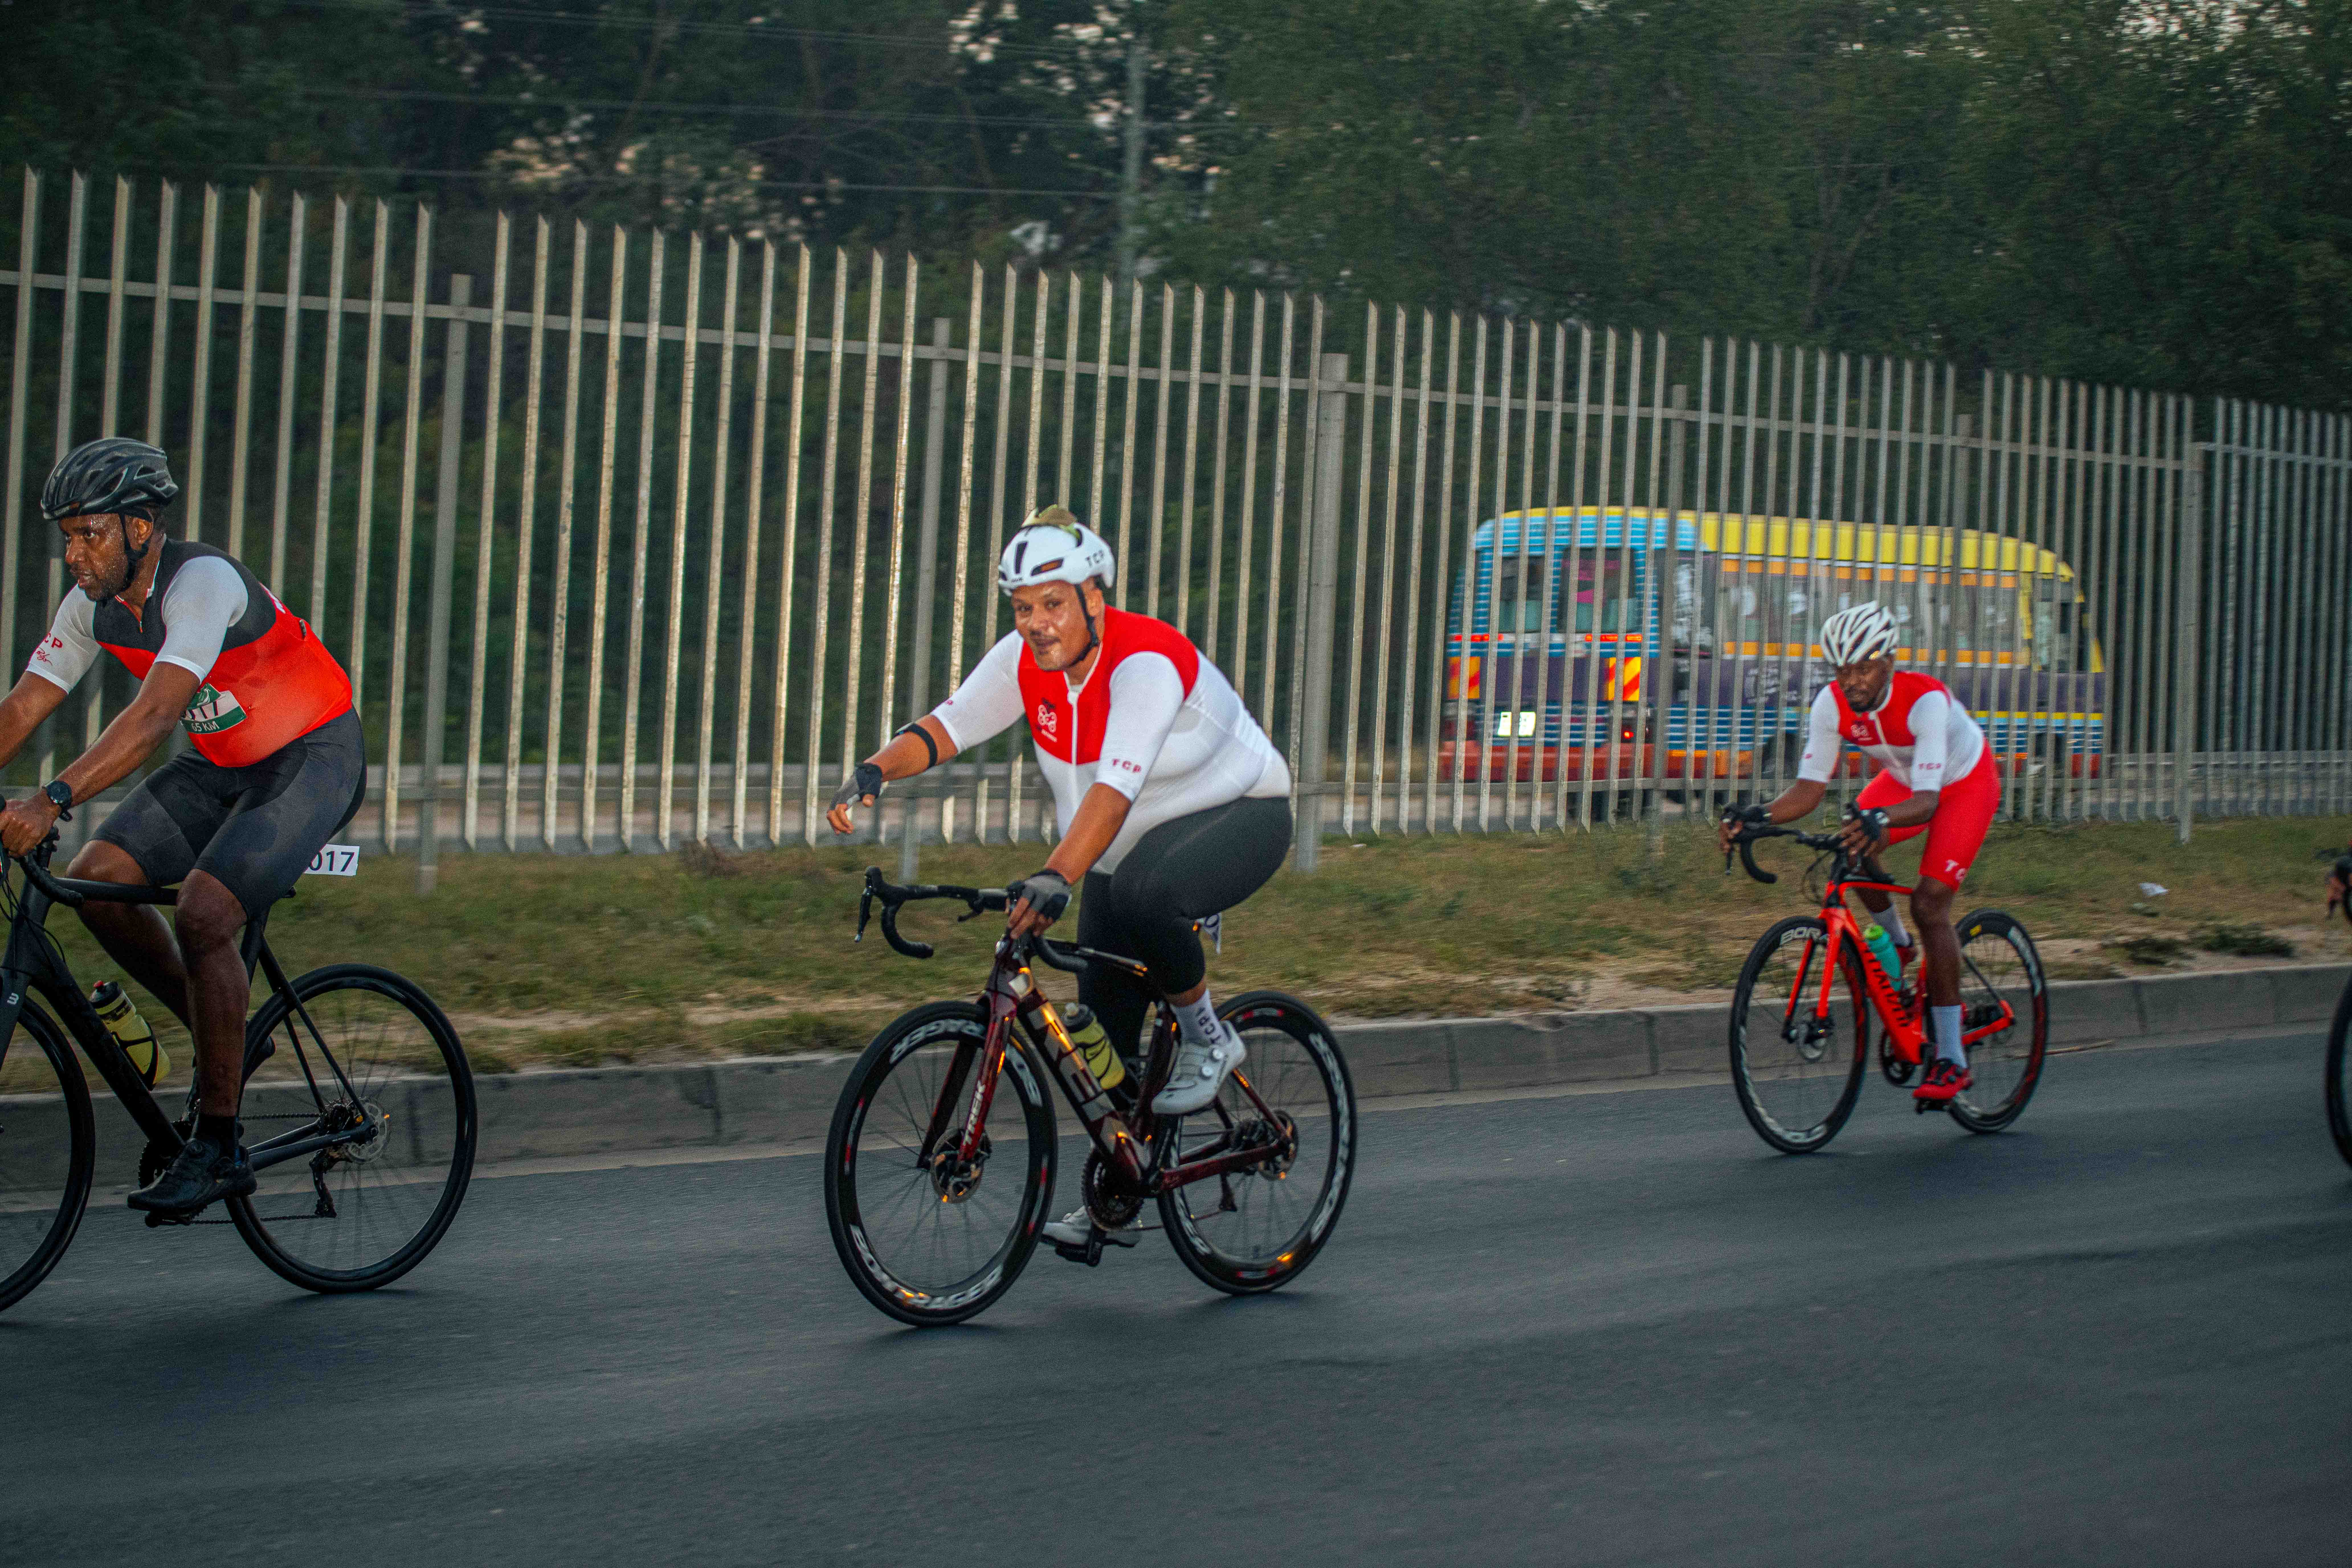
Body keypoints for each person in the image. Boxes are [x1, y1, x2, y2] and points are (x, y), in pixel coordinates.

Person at [828, 505, 1293, 1249]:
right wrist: (875, 770)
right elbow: (948, 726)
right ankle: (1126, 1176)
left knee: (1145, 897)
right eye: (1022, 608)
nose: (1037, 623)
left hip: (1242, 813)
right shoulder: (1027, 662)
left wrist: (1054, 875)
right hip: (1124, 845)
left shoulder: (1143, 662)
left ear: (1094, 599)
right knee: (1102, 1036)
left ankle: (1212, 1040)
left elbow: (1113, 791)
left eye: (1052, 604)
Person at [0, 437, 362, 1214]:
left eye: (88, 532)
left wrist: (52, 798)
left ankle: (222, 1145)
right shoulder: (93, 609)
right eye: (65, 536)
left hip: (310, 755)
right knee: (98, 881)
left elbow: (157, 714)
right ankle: (220, 1032)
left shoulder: (199, 582)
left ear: (140, 528)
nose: (74, 552)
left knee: (204, 910)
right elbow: (26, 704)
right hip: (224, 761)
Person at [1717, 600, 2001, 1103]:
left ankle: (1952, 1058)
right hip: (1905, 780)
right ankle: (1899, 945)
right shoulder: (1831, 705)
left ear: (1890, 660)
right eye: (1843, 670)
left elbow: (1929, 801)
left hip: (1962, 783)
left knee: (1930, 902)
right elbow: (1808, 791)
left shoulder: (1926, 702)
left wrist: (1882, 820)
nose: (1853, 681)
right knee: (1852, 837)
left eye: (1864, 668)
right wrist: (1755, 816)